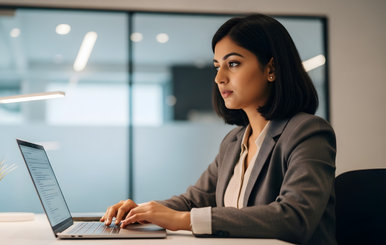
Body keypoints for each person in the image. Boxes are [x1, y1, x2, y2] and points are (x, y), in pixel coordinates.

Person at [100, 13, 336, 245]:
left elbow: (294, 218)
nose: (219, 78)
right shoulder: (234, 141)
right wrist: (141, 212)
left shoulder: (308, 132)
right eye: (217, 66)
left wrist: (184, 220)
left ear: (270, 68)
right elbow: (194, 201)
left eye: (233, 63)